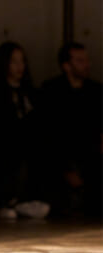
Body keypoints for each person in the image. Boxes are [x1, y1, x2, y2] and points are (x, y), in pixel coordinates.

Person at [0, 41, 50, 220]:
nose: (19, 66)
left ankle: (22, 201)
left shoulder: (32, 93)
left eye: (22, 61)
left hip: (28, 146)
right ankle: (5, 201)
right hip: (2, 146)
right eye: (14, 62)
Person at [41, 42, 102, 217]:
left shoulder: (96, 91)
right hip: (61, 157)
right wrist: (65, 170)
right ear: (66, 65)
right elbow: (48, 134)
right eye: (80, 61)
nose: (87, 65)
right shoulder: (52, 91)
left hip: (91, 157)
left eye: (87, 60)